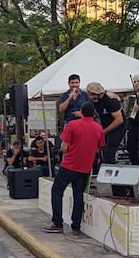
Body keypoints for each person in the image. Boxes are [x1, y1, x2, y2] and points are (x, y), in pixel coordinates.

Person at [44, 102, 105, 235]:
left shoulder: (72, 125)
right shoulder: (98, 128)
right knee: (78, 196)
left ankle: (57, 223)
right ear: (93, 113)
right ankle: (76, 226)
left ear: (81, 112)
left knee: (57, 190)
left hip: (69, 165)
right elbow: (99, 148)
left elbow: (64, 146)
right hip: (85, 168)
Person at [86, 82, 125, 166]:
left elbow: (119, 120)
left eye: (93, 94)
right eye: (90, 94)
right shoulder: (94, 101)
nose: (91, 97)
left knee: (109, 151)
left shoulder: (110, 100)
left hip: (117, 127)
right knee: (103, 151)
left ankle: (112, 171)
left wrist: (104, 131)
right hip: (105, 126)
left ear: (100, 93)